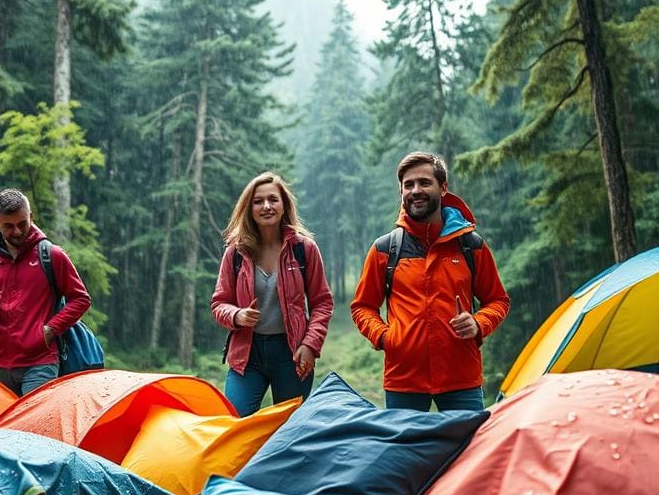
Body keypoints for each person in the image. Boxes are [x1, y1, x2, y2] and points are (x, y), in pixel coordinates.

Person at [351, 151, 510, 411]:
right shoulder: (385, 249)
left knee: (467, 451)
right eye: (408, 185)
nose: (416, 190)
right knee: (405, 452)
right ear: (400, 192)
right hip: (403, 379)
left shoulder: (471, 245)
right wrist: (385, 337)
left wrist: (479, 323)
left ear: (443, 187)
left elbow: (498, 300)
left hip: (462, 377)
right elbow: (362, 307)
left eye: (425, 182)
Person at [212, 171, 334, 417]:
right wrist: (237, 315)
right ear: (249, 208)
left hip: (291, 353)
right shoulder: (236, 253)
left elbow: (322, 303)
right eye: (258, 201)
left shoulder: (304, 249)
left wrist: (310, 345)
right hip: (247, 354)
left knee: (289, 431)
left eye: (273, 199)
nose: (266, 206)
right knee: (236, 424)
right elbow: (219, 303)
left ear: (283, 204)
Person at [0, 188, 91, 396]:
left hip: (40, 361)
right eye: (8, 226)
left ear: (31, 217)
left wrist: (49, 330)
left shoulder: (52, 255)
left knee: (34, 426)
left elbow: (81, 299)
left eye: (22, 223)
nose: (17, 231)